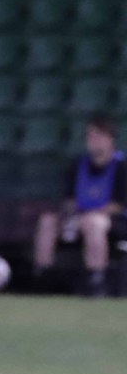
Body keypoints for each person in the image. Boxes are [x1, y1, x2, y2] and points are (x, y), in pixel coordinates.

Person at [32, 114, 126, 297]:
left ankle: (96, 278)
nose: (93, 141)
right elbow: (69, 199)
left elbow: (119, 204)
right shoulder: (78, 165)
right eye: (90, 136)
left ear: (110, 139)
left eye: (98, 136)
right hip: (79, 216)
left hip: (112, 221)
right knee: (48, 222)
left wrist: (90, 215)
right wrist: (69, 216)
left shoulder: (121, 166)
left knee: (93, 223)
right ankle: (43, 275)